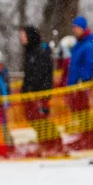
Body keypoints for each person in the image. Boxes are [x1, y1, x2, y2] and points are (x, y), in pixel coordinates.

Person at [20, 26, 65, 156]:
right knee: (35, 119)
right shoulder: (29, 52)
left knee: (41, 119)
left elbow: (41, 74)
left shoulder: (41, 52)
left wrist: (35, 90)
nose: (21, 38)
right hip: (32, 93)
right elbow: (29, 74)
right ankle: (45, 143)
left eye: (23, 36)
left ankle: (55, 143)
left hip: (40, 93)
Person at [66, 16, 93, 150]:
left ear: (83, 28)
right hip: (75, 84)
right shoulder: (79, 44)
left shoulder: (89, 44)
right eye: (74, 27)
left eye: (77, 27)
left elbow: (89, 64)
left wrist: (83, 80)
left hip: (82, 84)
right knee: (80, 113)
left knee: (84, 112)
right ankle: (86, 137)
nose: (74, 30)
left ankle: (91, 139)